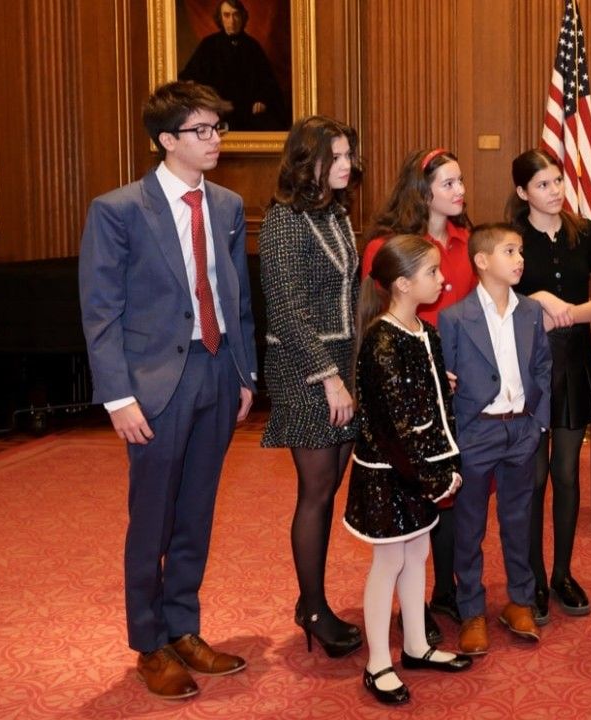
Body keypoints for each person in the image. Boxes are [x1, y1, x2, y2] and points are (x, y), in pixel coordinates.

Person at [79, 80, 257, 700]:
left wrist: (244, 373)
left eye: (217, 129)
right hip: (154, 386)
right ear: (165, 140)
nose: (214, 141)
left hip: (215, 371)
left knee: (196, 512)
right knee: (151, 519)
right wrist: (118, 397)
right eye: (201, 131)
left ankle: (184, 627)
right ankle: (149, 643)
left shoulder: (230, 206)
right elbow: (100, 312)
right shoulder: (119, 209)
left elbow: (237, 300)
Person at [344, 235, 473, 706]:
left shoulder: (425, 332)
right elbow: (394, 428)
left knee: (417, 554)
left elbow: (440, 409)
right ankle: (378, 661)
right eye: (434, 273)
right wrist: (431, 478)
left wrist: (450, 462)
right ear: (401, 284)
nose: (445, 279)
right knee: (390, 561)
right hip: (391, 472)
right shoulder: (382, 341)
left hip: (422, 469)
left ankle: (416, 645)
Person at [258, 115, 363, 658]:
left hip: (342, 363)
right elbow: (287, 309)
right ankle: (314, 608)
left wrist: (351, 371)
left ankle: (312, 601)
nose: (347, 166)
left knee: (329, 489)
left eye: (349, 156)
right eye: (337, 157)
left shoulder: (337, 215)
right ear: (307, 162)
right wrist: (329, 380)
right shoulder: (283, 222)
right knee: (316, 494)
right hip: (305, 371)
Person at [362, 147, 477, 640]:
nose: (460, 191)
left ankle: (445, 594)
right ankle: (413, 617)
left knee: (452, 487)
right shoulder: (387, 248)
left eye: (460, 181)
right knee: (414, 499)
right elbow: (379, 320)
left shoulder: (465, 241)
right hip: (408, 385)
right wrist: (429, 378)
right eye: (449, 183)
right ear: (423, 190)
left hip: (457, 379)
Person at [508, 149, 591, 621]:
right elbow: (499, 303)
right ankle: (530, 576)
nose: (554, 192)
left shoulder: (586, 233)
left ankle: (563, 574)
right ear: (522, 193)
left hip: (573, 362)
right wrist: (543, 301)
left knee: (566, 475)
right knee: (531, 478)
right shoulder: (511, 240)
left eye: (557, 181)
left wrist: (565, 313)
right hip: (528, 368)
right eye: (543, 185)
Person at [438, 223, 552, 656]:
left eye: (521, 251)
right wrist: (458, 433)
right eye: (510, 251)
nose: (520, 259)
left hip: (521, 429)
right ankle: (471, 610)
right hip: (476, 432)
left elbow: (542, 367)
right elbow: (446, 381)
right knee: (469, 527)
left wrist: (538, 423)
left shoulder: (530, 313)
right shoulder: (454, 317)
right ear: (482, 261)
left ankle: (519, 600)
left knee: (519, 519)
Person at [179, 0, 290, 131]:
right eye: (226, 15)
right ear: (220, 18)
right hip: (217, 112)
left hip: (247, 114)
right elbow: (188, 77)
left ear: (242, 17)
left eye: (236, 15)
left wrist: (262, 100)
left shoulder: (253, 47)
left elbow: (268, 84)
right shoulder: (208, 45)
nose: (232, 21)